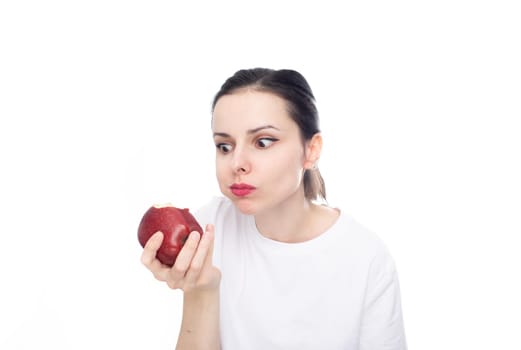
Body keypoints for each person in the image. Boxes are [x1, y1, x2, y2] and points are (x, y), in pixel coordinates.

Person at [140, 68, 407, 349]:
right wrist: (201, 291)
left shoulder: (366, 257)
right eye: (224, 146)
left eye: (263, 142)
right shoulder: (206, 231)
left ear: (311, 150)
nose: (237, 163)